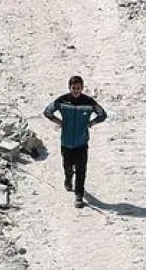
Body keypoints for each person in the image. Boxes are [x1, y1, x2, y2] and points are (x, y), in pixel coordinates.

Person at [43, 75, 107, 207]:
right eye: (73, 88)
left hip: (82, 142)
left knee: (81, 169)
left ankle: (79, 195)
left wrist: (92, 123)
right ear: (69, 88)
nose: (76, 90)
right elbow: (47, 112)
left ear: (82, 88)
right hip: (66, 142)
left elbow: (102, 114)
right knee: (67, 165)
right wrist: (59, 122)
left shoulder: (88, 102)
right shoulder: (62, 101)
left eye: (78, 88)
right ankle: (68, 178)